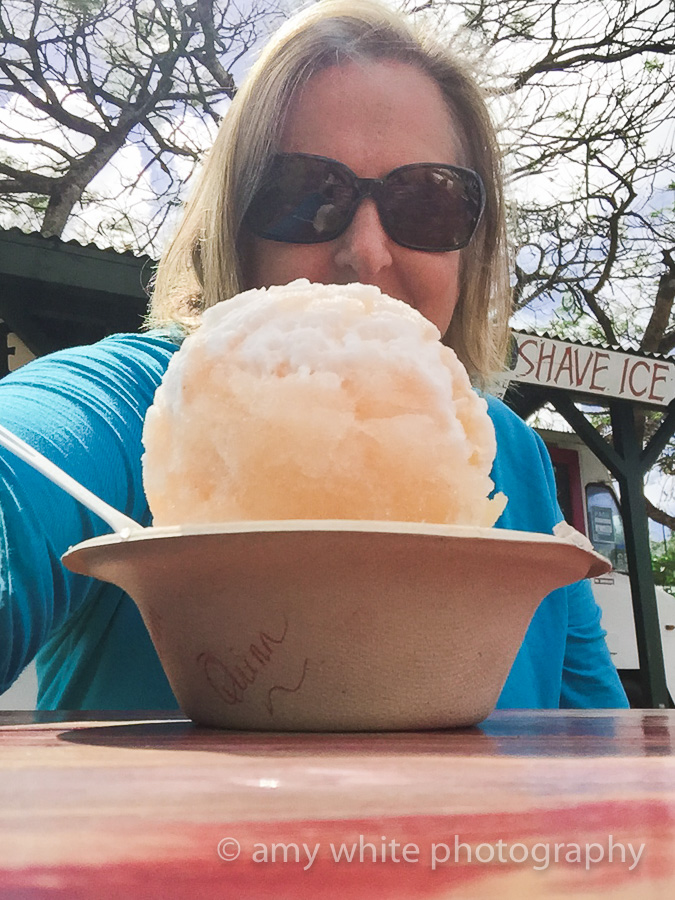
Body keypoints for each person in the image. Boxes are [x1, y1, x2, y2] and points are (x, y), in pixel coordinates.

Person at [0, 0, 628, 710]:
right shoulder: (144, 404)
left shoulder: (514, 455)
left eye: (428, 201)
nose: (366, 252)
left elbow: (600, 741)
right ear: (236, 226)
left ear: (471, 248)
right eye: (305, 194)